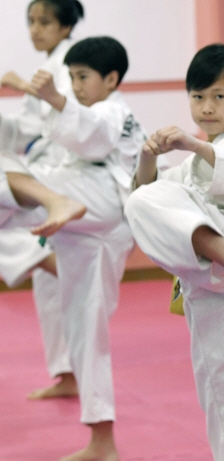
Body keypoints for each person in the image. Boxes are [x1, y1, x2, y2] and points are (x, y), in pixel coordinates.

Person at [124, 43, 224, 461]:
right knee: (222, 388)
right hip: (218, 280)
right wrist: (147, 154)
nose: (206, 107)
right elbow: (147, 194)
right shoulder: (194, 163)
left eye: (219, 96)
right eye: (198, 97)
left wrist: (192, 146)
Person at [0, 36, 146, 461]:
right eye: (73, 77)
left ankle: (50, 210)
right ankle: (103, 440)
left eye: (83, 77)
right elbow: (42, 134)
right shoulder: (86, 108)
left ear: (112, 79)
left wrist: (56, 99)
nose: (77, 85)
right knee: (86, 331)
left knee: (11, 178)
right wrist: (48, 100)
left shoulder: (114, 110)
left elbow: (93, 135)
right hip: (87, 222)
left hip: (98, 202)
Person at [0, 0, 84, 400]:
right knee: (47, 289)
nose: (35, 29)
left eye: (45, 22)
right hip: (41, 170)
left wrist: (18, 84)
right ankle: (66, 374)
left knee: (57, 284)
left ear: (66, 26)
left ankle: (74, 372)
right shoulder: (51, 63)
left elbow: (63, 115)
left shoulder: (71, 65)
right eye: (31, 21)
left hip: (61, 175)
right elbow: (26, 129)